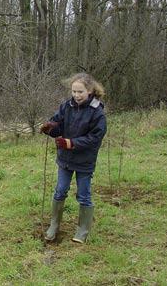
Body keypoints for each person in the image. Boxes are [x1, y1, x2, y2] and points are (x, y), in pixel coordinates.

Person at [40, 73, 107, 244]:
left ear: (90, 91)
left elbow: (94, 138)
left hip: (85, 161)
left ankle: (83, 230)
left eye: (80, 92)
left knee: (83, 194)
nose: (76, 95)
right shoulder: (66, 106)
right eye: (74, 91)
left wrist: (70, 143)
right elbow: (57, 125)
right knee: (60, 190)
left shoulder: (97, 112)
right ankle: (54, 226)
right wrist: (50, 128)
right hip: (65, 160)